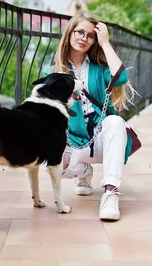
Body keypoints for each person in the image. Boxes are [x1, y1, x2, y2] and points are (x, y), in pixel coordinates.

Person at [44, 11, 135, 221]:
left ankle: (110, 193)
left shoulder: (98, 69)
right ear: (69, 34)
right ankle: (83, 172)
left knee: (115, 122)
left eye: (90, 35)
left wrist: (105, 43)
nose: (84, 38)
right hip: (75, 141)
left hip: (103, 139)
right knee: (51, 163)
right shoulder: (54, 73)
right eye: (79, 32)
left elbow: (121, 78)